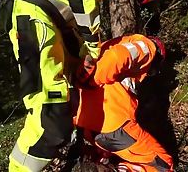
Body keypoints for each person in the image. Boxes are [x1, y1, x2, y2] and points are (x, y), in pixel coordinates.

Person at [0, 0, 169, 171]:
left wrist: (84, 59)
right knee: (52, 116)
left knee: (62, 113)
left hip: (50, 11)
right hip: (32, 3)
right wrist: (91, 48)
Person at [74, 34, 173, 171]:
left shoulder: (103, 47)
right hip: (114, 125)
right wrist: (93, 80)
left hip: (88, 128)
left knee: (114, 158)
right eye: (154, 70)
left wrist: (86, 80)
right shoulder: (147, 47)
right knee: (162, 164)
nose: (149, 74)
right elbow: (117, 56)